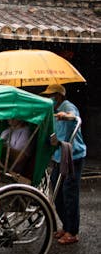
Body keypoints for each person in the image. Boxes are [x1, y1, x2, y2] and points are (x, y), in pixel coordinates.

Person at [41, 83, 86, 245]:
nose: (48, 98)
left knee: (69, 193)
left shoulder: (68, 106)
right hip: (59, 156)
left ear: (59, 96)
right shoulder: (52, 112)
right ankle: (66, 226)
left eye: (50, 95)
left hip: (73, 156)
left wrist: (65, 115)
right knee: (57, 192)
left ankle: (73, 232)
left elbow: (72, 115)